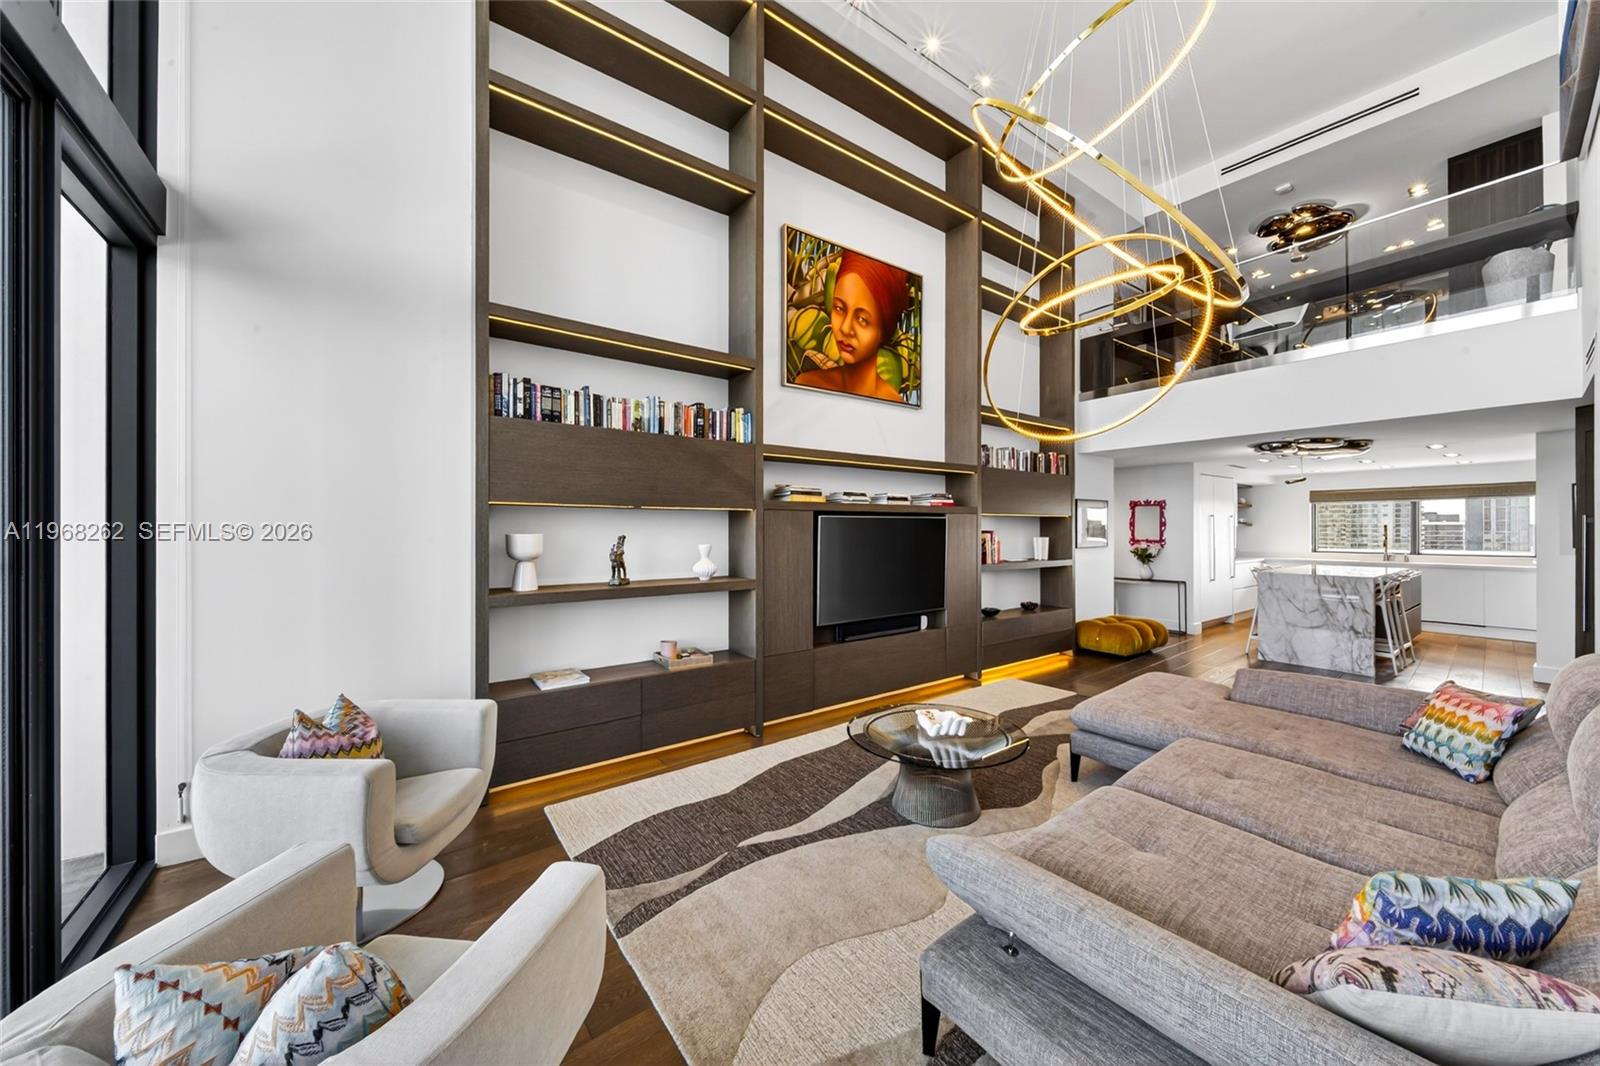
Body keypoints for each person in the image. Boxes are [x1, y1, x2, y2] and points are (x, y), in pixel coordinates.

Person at [793, 250, 910, 402]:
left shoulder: (893, 403)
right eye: (839, 308)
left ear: (884, 329)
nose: (845, 328)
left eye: (862, 319)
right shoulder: (807, 384)